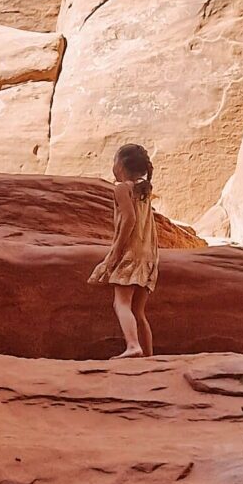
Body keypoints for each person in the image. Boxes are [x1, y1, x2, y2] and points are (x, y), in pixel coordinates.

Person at [88, 142, 159, 356]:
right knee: (138, 310)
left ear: (120, 166)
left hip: (131, 252)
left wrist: (116, 251)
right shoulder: (143, 190)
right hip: (149, 255)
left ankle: (133, 345)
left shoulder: (122, 188)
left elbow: (129, 219)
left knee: (121, 303)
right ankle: (148, 357)